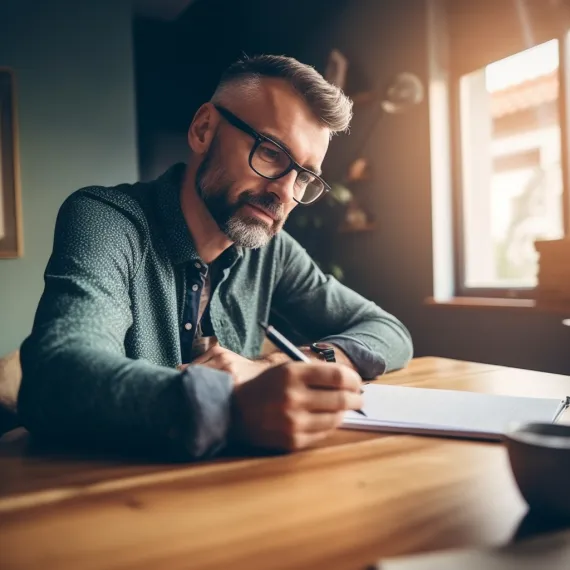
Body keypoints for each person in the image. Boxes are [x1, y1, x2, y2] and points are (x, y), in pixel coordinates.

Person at [18, 55, 413, 460]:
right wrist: (229, 407)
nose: (284, 193)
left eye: (305, 177)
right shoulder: (107, 220)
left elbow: (388, 330)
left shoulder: (270, 250)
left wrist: (271, 367)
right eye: (272, 153)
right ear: (204, 129)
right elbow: (56, 377)